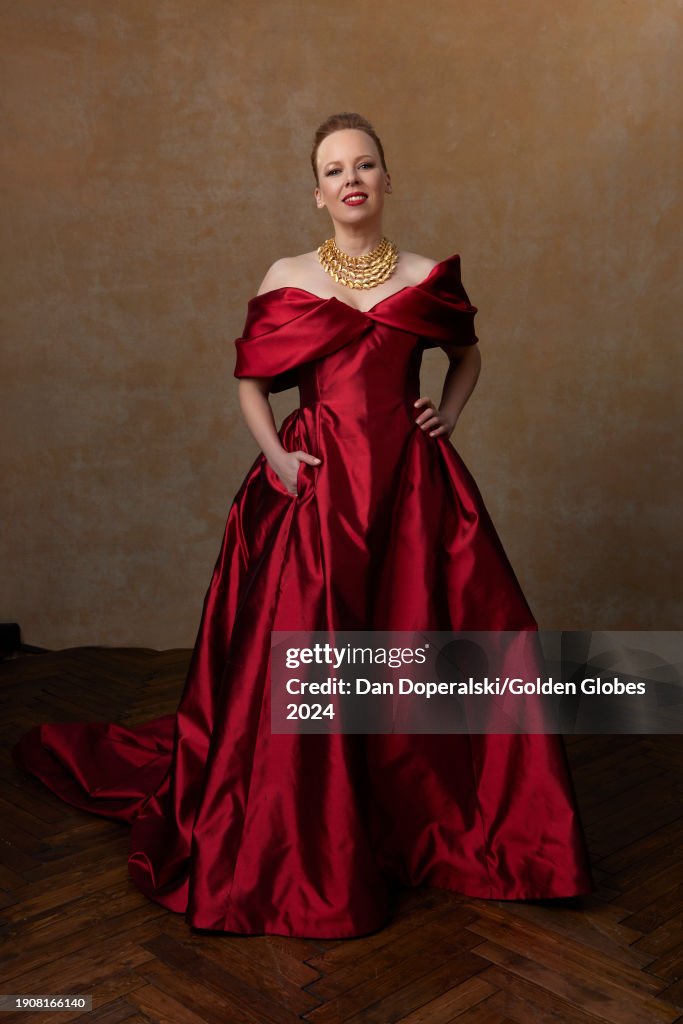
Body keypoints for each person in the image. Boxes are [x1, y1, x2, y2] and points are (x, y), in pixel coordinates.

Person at [12, 112, 594, 939]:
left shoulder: (425, 277)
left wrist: (449, 415)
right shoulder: (287, 274)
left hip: (410, 489)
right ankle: (315, 844)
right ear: (317, 193)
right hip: (317, 488)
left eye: (364, 165)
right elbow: (250, 382)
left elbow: (467, 354)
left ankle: (421, 819)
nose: (350, 179)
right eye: (333, 169)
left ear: (387, 180)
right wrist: (277, 460)